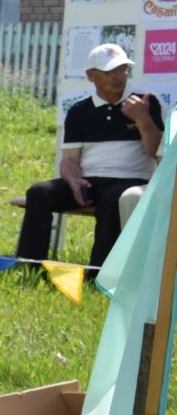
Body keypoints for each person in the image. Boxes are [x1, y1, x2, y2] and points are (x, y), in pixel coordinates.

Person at [16, 42, 164, 271]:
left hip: (130, 181)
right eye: (109, 71)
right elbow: (69, 161)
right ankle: (29, 267)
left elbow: (157, 153)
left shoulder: (146, 103)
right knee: (39, 192)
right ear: (91, 76)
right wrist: (74, 181)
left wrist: (142, 119)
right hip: (89, 181)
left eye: (123, 69)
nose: (118, 77)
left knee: (111, 199)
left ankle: (98, 273)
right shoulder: (78, 110)